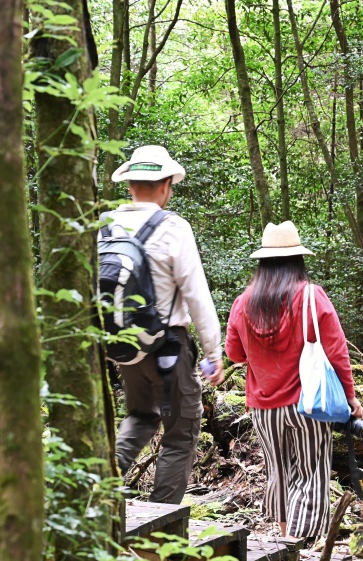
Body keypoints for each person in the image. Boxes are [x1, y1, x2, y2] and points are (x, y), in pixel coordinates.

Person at [225, 221, 363, 539]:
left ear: (262, 262)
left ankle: (283, 542)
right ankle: (297, 547)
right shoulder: (311, 297)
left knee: (280, 473)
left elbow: (234, 354)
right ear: (298, 259)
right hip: (308, 403)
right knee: (310, 473)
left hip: (263, 407)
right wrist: (350, 397)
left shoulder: (243, 302)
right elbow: (337, 351)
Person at [105, 145, 225, 504]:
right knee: (181, 432)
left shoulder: (105, 225)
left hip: (124, 347)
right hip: (169, 348)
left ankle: (95, 497)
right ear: (165, 185)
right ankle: (162, 528)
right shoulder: (173, 227)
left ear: (130, 185)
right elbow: (196, 293)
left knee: (140, 416)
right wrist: (213, 353)